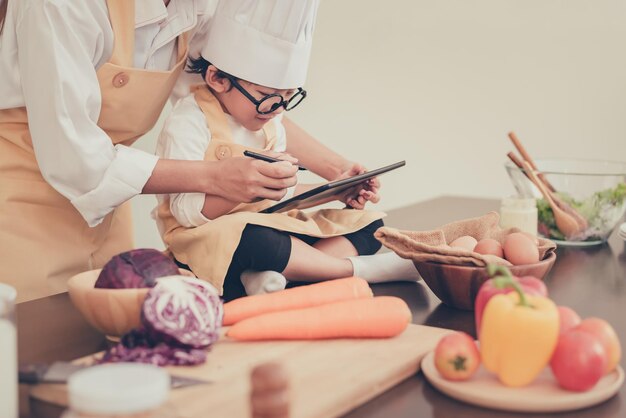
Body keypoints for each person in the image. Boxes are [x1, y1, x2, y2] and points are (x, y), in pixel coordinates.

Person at [0, 0, 366, 303]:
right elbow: (74, 157)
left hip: (110, 205)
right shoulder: (61, 5)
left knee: (110, 334)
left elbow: (233, 104)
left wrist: (336, 169)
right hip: (20, 206)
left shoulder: (195, 6)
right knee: (34, 348)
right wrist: (217, 178)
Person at [155, 0, 420, 301]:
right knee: (254, 239)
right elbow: (186, 212)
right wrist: (248, 189)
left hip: (267, 223)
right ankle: (351, 270)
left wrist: (335, 192)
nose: (277, 110)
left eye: (287, 98)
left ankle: (276, 275)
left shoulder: (271, 121)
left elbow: (282, 195)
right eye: (266, 97)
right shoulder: (189, 121)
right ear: (217, 79)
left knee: (369, 224)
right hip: (208, 238)